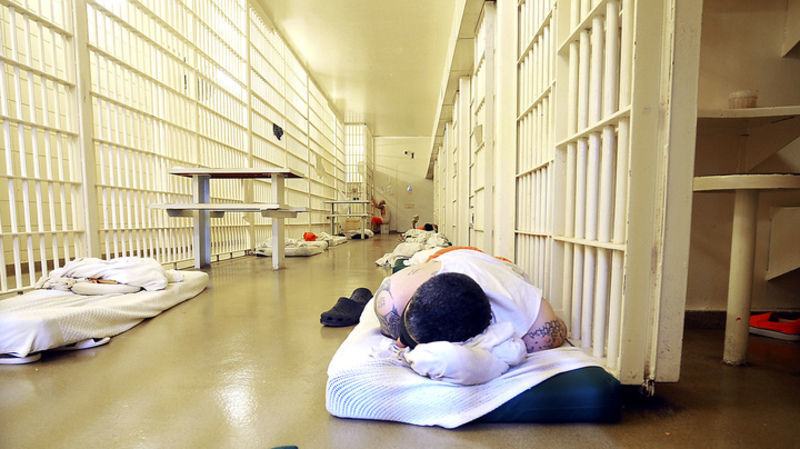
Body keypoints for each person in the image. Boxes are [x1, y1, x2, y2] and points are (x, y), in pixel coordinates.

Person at [373, 247, 567, 354]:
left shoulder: (541, 330)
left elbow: (560, 328)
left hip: (501, 265)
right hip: (453, 254)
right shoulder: (394, 295)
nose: (398, 343)